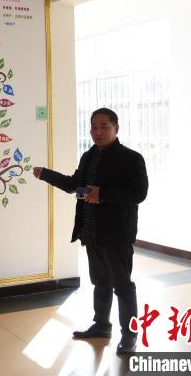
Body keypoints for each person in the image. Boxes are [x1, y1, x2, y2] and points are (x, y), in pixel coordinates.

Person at [33, 108, 148, 354]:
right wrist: (45, 174)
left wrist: (102, 194)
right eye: (94, 126)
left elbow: (138, 193)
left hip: (116, 234)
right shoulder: (88, 156)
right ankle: (101, 326)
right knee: (100, 282)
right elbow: (73, 185)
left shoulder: (131, 158)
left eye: (104, 126)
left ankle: (130, 335)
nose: (98, 131)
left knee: (122, 286)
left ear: (116, 128)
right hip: (90, 230)